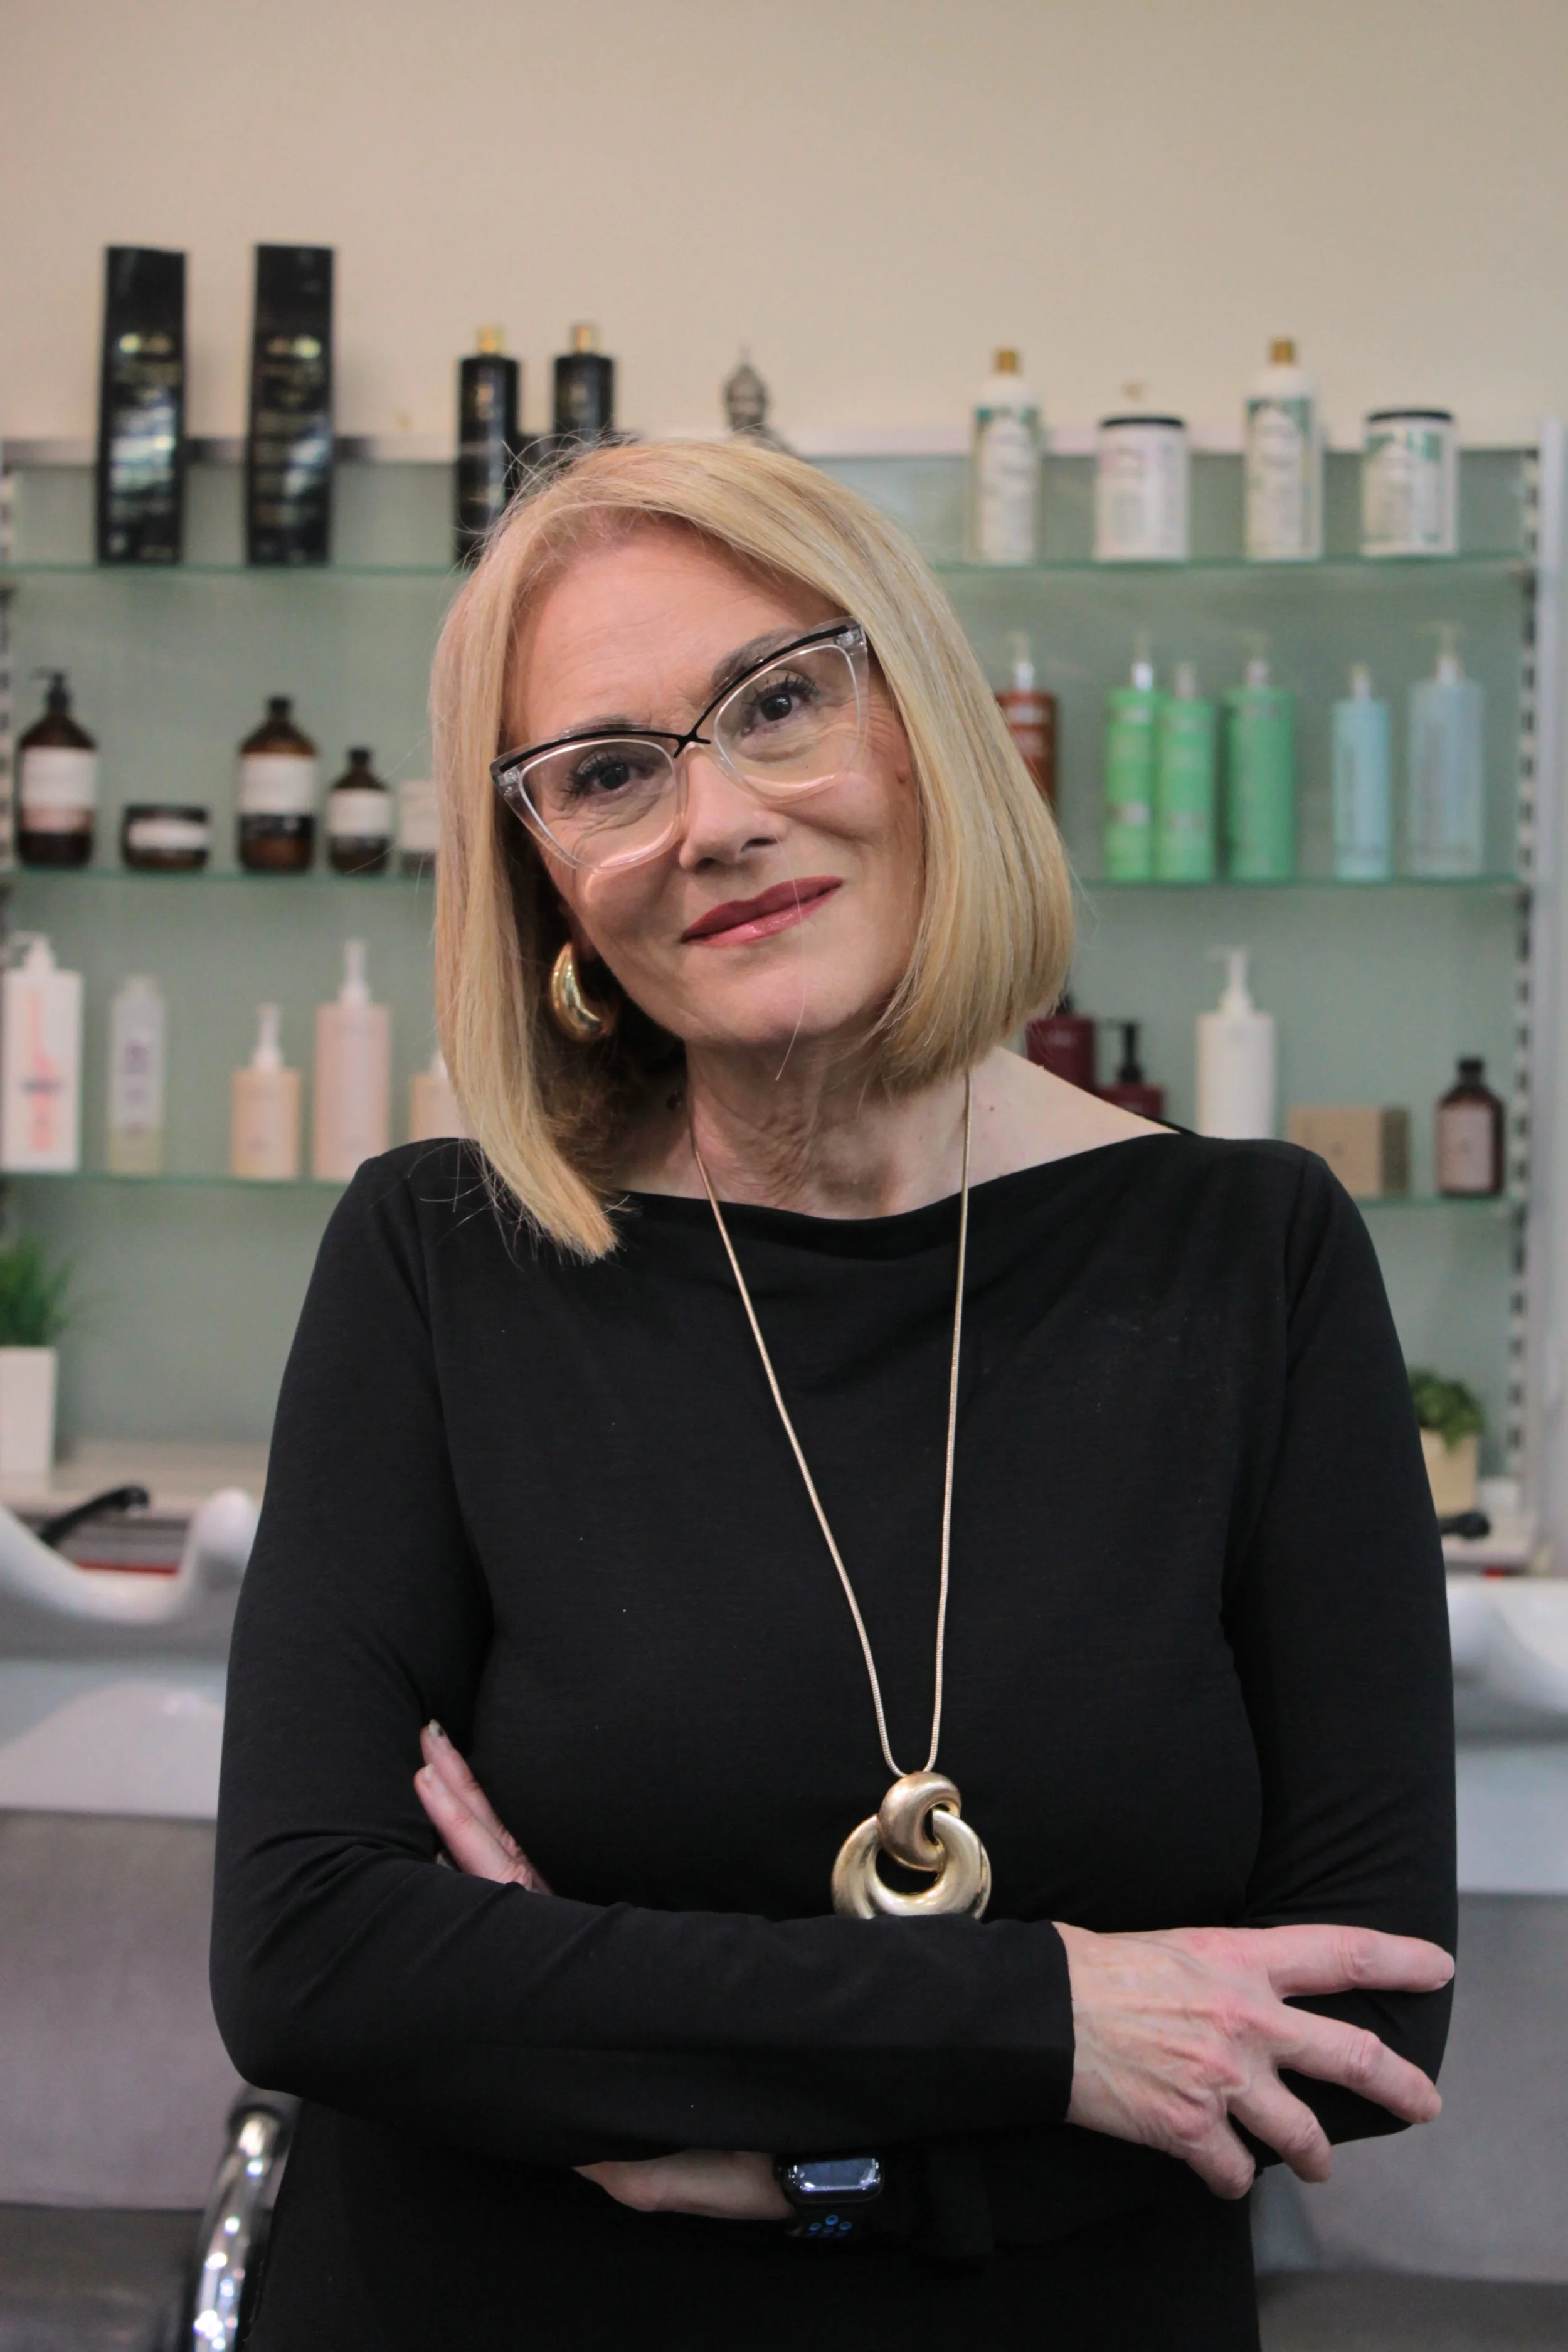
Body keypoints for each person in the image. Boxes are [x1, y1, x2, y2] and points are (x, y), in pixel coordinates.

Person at [211, 438, 1456, 2351]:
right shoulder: (440, 1259)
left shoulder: (1250, 1255)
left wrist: (762, 2127)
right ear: (544, 873)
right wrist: (1054, 2022)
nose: (711, 818)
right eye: (607, 769)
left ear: (919, 727)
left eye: (776, 701)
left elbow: (1356, 2011)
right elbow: (315, 1957)